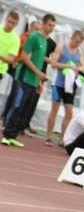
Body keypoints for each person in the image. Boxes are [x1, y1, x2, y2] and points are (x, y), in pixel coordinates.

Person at [2, 14, 56, 148]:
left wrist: (38, 81)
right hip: (23, 78)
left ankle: (13, 135)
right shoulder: (34, 37)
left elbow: (38, 62)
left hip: (33, 81)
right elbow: (25, 57)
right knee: (17, 105)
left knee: (24, 109)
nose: (52, 28)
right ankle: (7, 135)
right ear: (44, 24)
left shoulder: (44, 41)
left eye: (54, 26)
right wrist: (38, 73)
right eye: (50, 25)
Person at [45, 29, 84, 146]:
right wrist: (68, 66)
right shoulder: (61, 47)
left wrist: (79, 69)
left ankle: (63, 139)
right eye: (76, 41)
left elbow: (83, 67)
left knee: (69, 113)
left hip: (70, 86)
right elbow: (53, 64)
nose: (76, 44)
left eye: (79, 43)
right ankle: (48, 137)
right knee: (55, 109)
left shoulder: (80, 51)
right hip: (58, 83)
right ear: (72, 38)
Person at [0, 10, 20, 115]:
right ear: (6, 18)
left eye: (13, 23)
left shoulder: (15, 39)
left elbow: (11, 59)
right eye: (9, 21)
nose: (10, 25)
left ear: (16, 24)